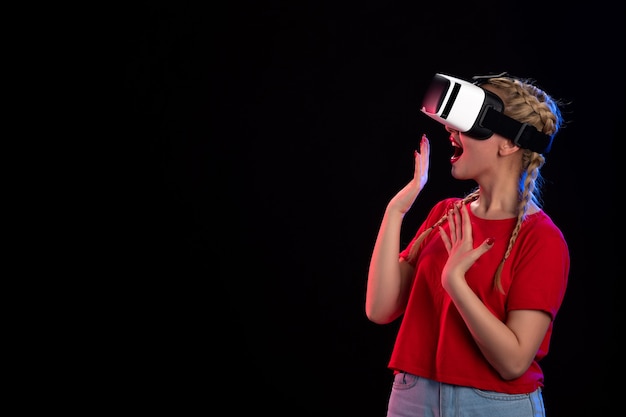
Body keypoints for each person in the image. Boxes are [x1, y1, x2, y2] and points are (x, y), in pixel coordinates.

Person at [365, 72, 569, 417]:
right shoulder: (444, 214)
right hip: (412, 397)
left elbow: (514, 362)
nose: (450, 131)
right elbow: (380, 309)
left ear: (510, 144)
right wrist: (395, 211)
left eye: (470, 125)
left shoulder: (542, 238)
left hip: (494, 405)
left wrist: (455, 283)